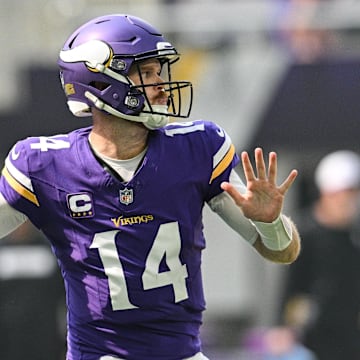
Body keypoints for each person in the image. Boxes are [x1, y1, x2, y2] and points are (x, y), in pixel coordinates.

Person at [0, 14, 300, 360]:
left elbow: (282, 252)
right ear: (98, 81)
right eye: (145, 73)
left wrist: (269, 222)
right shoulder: (45, 164)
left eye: (159, 71)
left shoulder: (197, 148)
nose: (160, 84)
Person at [283, 150, 360, 360]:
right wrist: (284, 327)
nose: (348, 202)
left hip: (352, 338)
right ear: (327, 194)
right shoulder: (305, 233)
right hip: (315, 339)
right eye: (343, 194)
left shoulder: (354, 235)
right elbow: (292, 286)